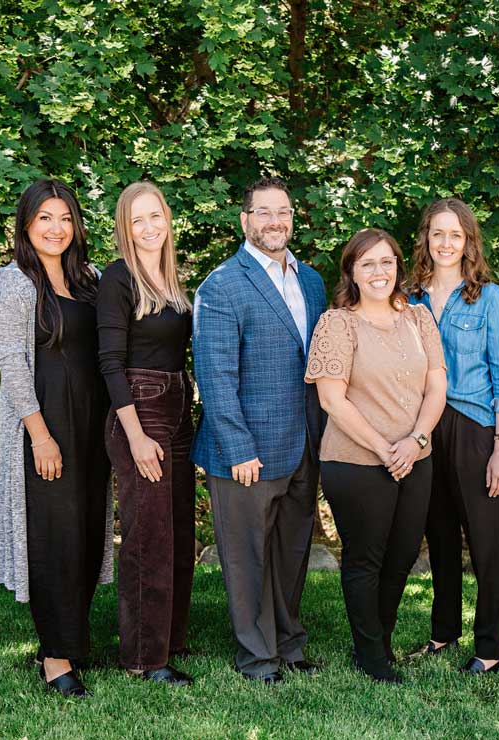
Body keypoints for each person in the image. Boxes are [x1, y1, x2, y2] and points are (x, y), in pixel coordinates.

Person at [192, 176, 328, 684]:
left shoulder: (310, 280)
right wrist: (237, 448)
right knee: (247, 559)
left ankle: (289, 645)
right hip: (245, 449)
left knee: (291, 553)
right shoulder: (222, 285)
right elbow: (215, 375)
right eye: (264, 212)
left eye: (284, 211)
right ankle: (257, 657)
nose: (276, 221)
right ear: (245, 220)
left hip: (302, 444)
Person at [0, 178, 112, 699]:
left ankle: (70, 639)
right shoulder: (11, 282)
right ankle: (56, 657)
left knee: (85, 531)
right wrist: (40, 434)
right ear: (26, 224)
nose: (56, 228)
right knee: (53, 536)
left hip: (93, 425)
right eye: (45, 218)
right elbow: (11, 364)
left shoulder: (92, 279)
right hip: (44, 422)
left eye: (65, 218)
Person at [306, 228, 447, 683]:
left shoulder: (419, 318)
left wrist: (417, 441)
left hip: (415, 458)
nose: (379, 271)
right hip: (355, 462)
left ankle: (379, 642)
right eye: (367, 264)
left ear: (398, 267)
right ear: (352, 271)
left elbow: (437, 386)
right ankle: (370, 655)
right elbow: (332, 399)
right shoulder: (337, 323)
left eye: (387, 262)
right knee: (366, 558)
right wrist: (386, 447)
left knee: (403, 555)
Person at [404, 198, 499, 675]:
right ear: (426, 240)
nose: (446, 243)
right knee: (440, 537)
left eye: (456, 235)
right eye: (438, 234)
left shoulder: (488, 297)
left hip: (476, 428)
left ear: (469, 242)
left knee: (488, 541)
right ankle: (443, 633)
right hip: (424, 429)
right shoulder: (407, 298)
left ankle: (489, 647)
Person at [98, 182, 196, 686]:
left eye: (155, 215)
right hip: (140, 409)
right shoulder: (118, 279)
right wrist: (135, 435)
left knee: (178, 530)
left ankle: (170, 638)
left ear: (167, 218)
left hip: (178, 406)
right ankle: (143, 657)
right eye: (137, 220)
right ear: (125, 227)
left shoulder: (173, 279)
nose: (149, 227)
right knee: (148, 537)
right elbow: (111, 364)